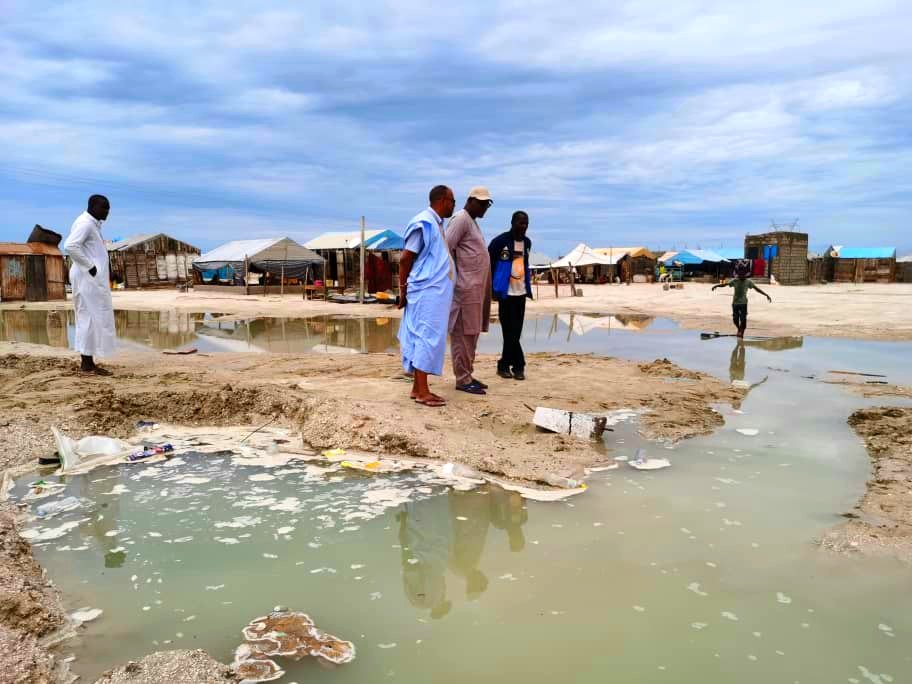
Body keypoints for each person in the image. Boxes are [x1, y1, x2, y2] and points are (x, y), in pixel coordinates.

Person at [397, 185, 457, 407]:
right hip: (426, 291)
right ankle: (423, 391)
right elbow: (405, 259)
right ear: (442, 200)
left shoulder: (436, 224)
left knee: (425, 336)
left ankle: (417, 388)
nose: (454, 205)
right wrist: (402, 289)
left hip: (434, 292)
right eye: (453, 201)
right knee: (425, 336)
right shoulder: (424, 222)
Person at [446, 186, 493, 395]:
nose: (485, 208)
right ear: (470, 201)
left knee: (472, 335)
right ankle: (462, 379)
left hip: (476, 291)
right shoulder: (461, 219)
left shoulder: (472, 222)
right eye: (482, 203)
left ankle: (468, 373)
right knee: (463, 336)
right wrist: (455, 279)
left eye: (487, 204)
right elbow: (446, 248)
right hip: (464, 291)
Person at [64, 195, 116, 374]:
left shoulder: (92, 224)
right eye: (104, 208)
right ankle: (87, 364)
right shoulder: (85, 223)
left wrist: (107, 271)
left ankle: (88, 361)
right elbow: (70, 246)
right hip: (87, 278)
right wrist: (90, 267)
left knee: (92, 318)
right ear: (93, 206)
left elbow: (94, 251)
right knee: (88, 318)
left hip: (90, 278)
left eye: (108, 208)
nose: (107, 212)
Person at [488, 211, 532, 380]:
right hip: (505, 294)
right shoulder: (500, 241)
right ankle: (519, 366)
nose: (524, 227)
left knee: (515, 332)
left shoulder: (527, 242)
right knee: (509, 331)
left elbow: (524, 264)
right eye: (521, 223)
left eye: (526, 223)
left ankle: (504, 364)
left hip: (520, 293)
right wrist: (492, 287)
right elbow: (489, 262)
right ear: (512, 222)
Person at [712, 261, 771, 338]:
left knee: (743, 319)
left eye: (742, 273)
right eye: (739, 273)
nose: (740, 275)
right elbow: (725, 284)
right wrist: (716, 285)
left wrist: (766, 294)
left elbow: (757, 289)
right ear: (738, 273)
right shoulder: (735, 281)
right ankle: (739, 329)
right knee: (735, 319)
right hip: (735, 303)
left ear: (745, 273)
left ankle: (741, 333)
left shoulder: (748, 282)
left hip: (743, 303)